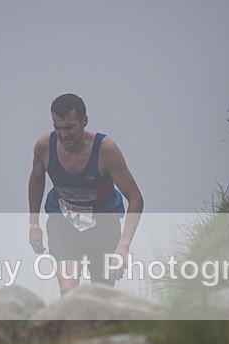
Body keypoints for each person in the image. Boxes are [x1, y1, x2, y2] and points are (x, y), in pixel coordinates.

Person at [28, 93, 143, 296]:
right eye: (58, 128)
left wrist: (123, 246)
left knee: (101, 293)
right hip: (63, 219)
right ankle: (72, 327)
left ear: (84, 121)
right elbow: (36, 180)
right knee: (69, 287)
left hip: (103, 222)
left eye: (69, 127)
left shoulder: (105, 150)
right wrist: (33, 225)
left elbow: (135, 199)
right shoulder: (44, 147)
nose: (63, 135)